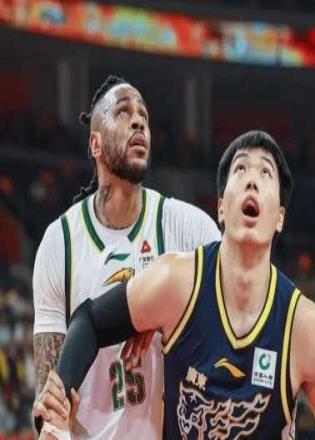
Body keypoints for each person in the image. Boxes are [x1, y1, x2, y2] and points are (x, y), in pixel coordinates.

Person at [34, 130, 315, 439]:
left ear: (279, 217)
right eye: (240, 169)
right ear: (221, 207)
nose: (251, 180)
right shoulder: (176, 283)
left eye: (265, 173)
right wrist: (60, 396)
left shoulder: (303, 326)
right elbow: (90, 319)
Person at [32, 75, 221, 439]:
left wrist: (161, 309)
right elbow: (47, 400)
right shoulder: (60, 243)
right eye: (123, 112)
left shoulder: (190, 229)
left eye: (144, 116)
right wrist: (50, 421)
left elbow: (235, 329)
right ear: (95, 144)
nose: (138, 122)